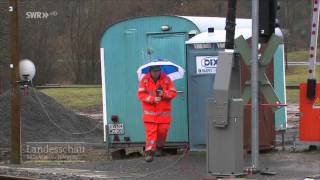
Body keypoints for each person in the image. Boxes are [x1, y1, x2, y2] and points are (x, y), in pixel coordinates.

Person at [137, 65, 177, 162]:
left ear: (160, 70)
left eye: (158, 71)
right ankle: (149, 152)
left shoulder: (167, 79)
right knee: (151, 133)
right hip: (149, 115)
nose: (156, 73)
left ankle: (159, 148)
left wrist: (163, 93)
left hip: (164, 115)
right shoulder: (144, 80)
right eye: (154, 71)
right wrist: (152, 99)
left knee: (162, 132)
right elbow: (141, 95)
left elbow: (173, 93)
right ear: (150, 71)